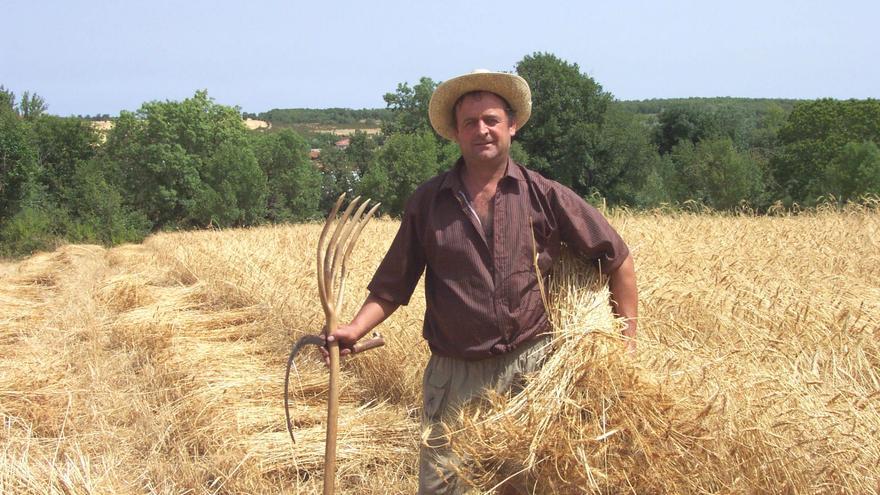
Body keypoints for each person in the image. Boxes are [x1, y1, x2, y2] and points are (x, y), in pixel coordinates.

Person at [327, 69, 638, 494]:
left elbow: (616, 259)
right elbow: (392, 286)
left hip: (529, 374)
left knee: (524, 487)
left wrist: (625, 345)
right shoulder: (428, 202)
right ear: (456, 132)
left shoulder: (543, 195)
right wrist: (353, 329)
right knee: (443, 488)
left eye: (491, 119)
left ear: (512, 125)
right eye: (470, 122)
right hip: (452, 378)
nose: (482, 130)